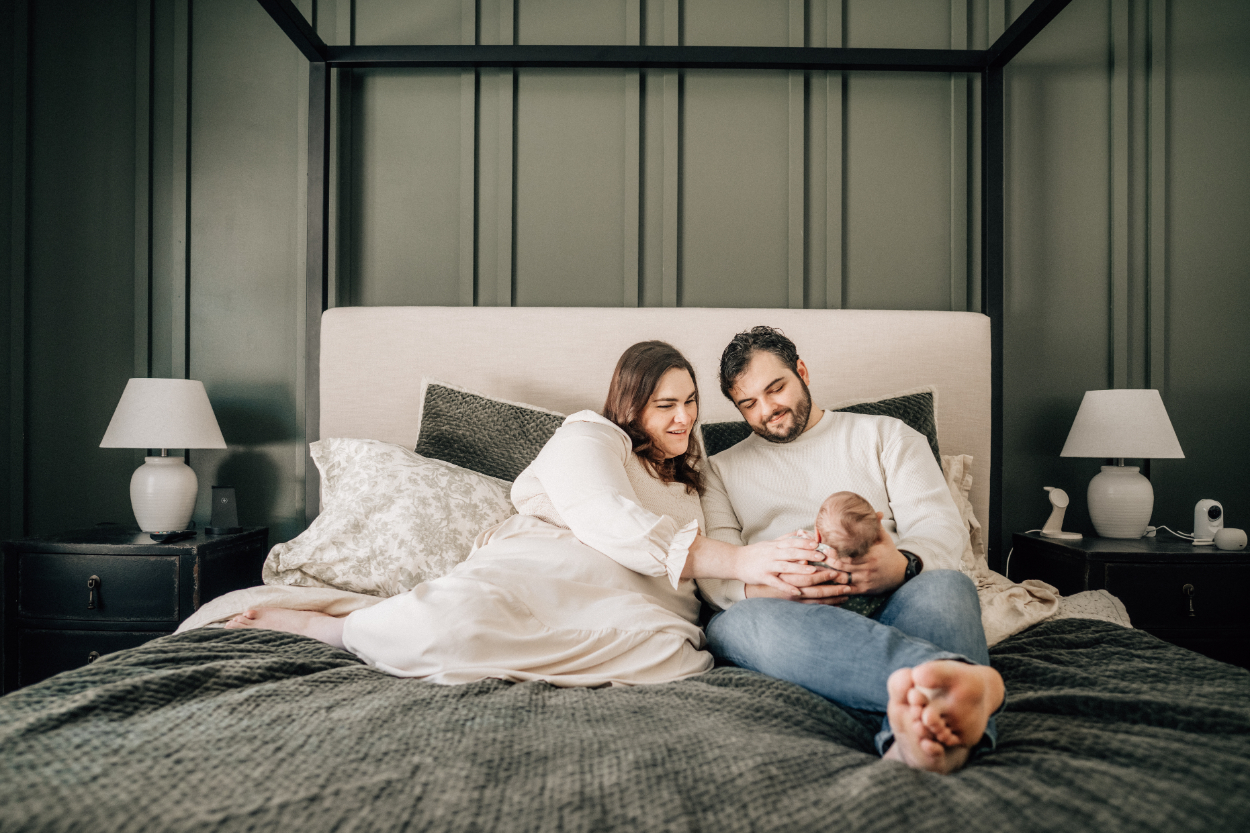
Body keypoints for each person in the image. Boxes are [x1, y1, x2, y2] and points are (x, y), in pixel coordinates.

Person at [225, 341, 822, 688]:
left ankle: (512, 655)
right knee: (453, 628)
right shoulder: (589, 435)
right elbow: (604, 516)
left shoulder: (700, 467)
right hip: (540, 578)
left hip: (644, 608)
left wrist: (778, 578)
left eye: (691, 403)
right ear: (629, 405)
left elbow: (723, 556)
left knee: (676, 661)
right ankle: (336, 628)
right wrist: (745, 558)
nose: (683, 419)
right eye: (665, 405)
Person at [697, 326, 1005, 774]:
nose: (767, 410)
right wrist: (773, 590)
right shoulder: (719, 471)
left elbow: (941, 526)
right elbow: (716, 573)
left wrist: (901, 564)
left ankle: (920, 736)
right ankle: (960, 687)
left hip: (895, 592)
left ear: (801, 371)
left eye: (776, 388)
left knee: (949, 585)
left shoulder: (887, 436)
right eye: (748, 403)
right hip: (786, 610)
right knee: (736, 623)